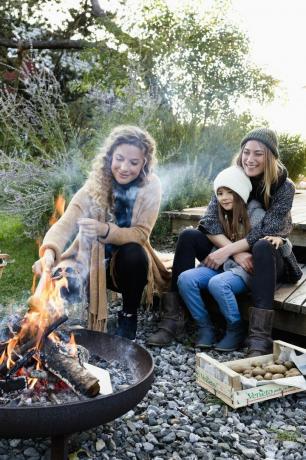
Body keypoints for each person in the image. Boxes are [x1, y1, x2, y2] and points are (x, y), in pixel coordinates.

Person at [147, 127, 302, 356]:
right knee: (188, 236)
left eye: (258, 153)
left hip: (269, 258)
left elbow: (268, 230)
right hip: (235, 252)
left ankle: (259, 337)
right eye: (246, 152)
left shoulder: (283, 186)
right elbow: (209, 222)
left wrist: (226, 251)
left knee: (262, 245)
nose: (250, 159)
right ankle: (173, 318)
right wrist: (234, 253)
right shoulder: (232, 178)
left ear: (270, 156)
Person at [32, 125, 170, 340]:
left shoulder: (151, 185)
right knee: (60, 275)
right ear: (109, 158)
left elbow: (141, 234)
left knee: (134, 253)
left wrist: (105, 230)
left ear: (144, 163)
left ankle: (128, 315)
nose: (124, 167)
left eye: (133, 163)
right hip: (90, 260)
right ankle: (48, 324)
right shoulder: (95, 185)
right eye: (119, 159)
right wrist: (49, 253)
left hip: (127, 266)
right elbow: (65, 223)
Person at [177, 165, 293, 352]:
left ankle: (235, 328)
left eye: (230, 192)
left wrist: (278, 241)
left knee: (218, 284)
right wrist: (232, 252)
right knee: (186, 279)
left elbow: (270, 242)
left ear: (241, 191)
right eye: (220, 193)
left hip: (246, 270)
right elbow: (207, 228)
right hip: (225, 264)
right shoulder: (221, 214)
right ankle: (205, 326)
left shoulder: (256, 214)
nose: (224, 197)